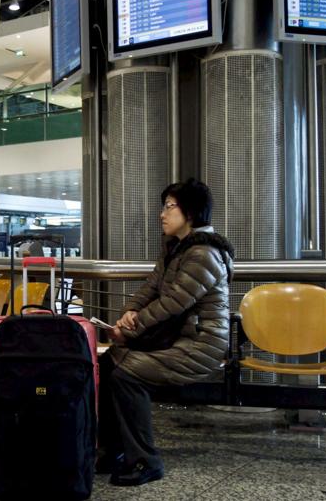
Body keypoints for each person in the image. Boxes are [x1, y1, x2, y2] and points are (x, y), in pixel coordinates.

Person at [97, 178, 234, 487]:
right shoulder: (176, 248)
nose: (162, 214)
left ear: (191, 212)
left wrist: (131, 329)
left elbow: (173, 303)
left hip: (201, 344)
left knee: (126, 375)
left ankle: (145, 460)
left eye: (170, 207)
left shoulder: (203, 254)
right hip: (178, 338)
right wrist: (128, 313)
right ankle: (114, 449)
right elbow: (151, 286)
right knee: (107, 364)